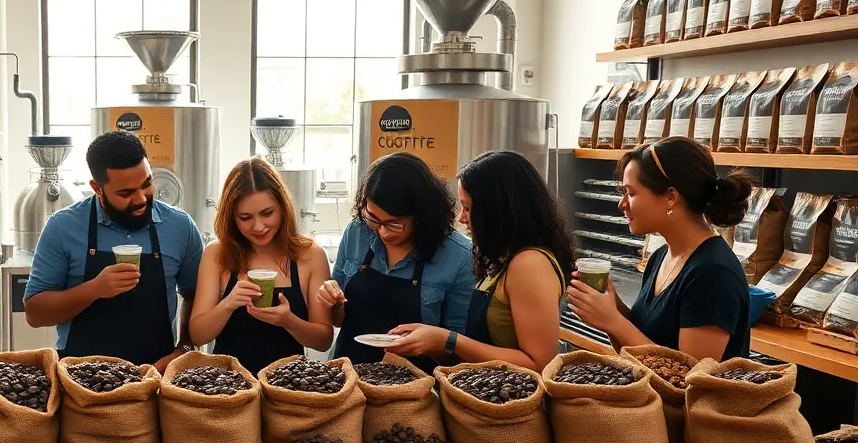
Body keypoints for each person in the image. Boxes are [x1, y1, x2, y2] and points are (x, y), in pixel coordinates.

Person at [24, 131, 204, 371]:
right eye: (125, 193)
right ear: (97, 188)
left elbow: (196, 296)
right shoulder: (62, 227)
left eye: (147, 183)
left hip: (155, 375)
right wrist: (94, 289)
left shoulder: (180, 227)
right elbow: (35, 314)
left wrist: (185, 348)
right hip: (80, 378)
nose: (140, 199)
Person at [566, 137, 753, 362]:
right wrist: (612, 308)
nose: (621, 204)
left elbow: (688, 379)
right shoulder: (660, 257)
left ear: (671, 197)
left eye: (631, 193)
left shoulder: (714, 273)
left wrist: (612, 321)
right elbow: (639, 348)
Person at [386, 151, 574, 371]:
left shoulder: (530, 264)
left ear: (497, 209)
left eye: (467, 208)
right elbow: (475, 355)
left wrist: (450, 340)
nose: (462, 218)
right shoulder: (503, 259)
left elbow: (540, 364)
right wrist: (432, 344)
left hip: (513, 402)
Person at [316, 152, 476, 368]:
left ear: (421, 215)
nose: (382, 232)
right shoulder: (357, 231)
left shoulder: (459, 256)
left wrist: (433, 342)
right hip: (346, 377)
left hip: (415, 388)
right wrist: (332, 303)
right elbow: (339, 319)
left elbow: (458, 354)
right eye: (373, 219)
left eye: (393, 224)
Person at [189, 157, 333, 373]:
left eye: (267, 214)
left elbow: (323, 341)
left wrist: (289, 321)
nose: (258, 226)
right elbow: (198, 335)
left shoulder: (311, 255)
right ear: (231, 218)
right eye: (245, 217)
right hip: (228, 387)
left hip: (287, 386)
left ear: (283, 208)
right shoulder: (217, 253)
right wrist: (228, 303)